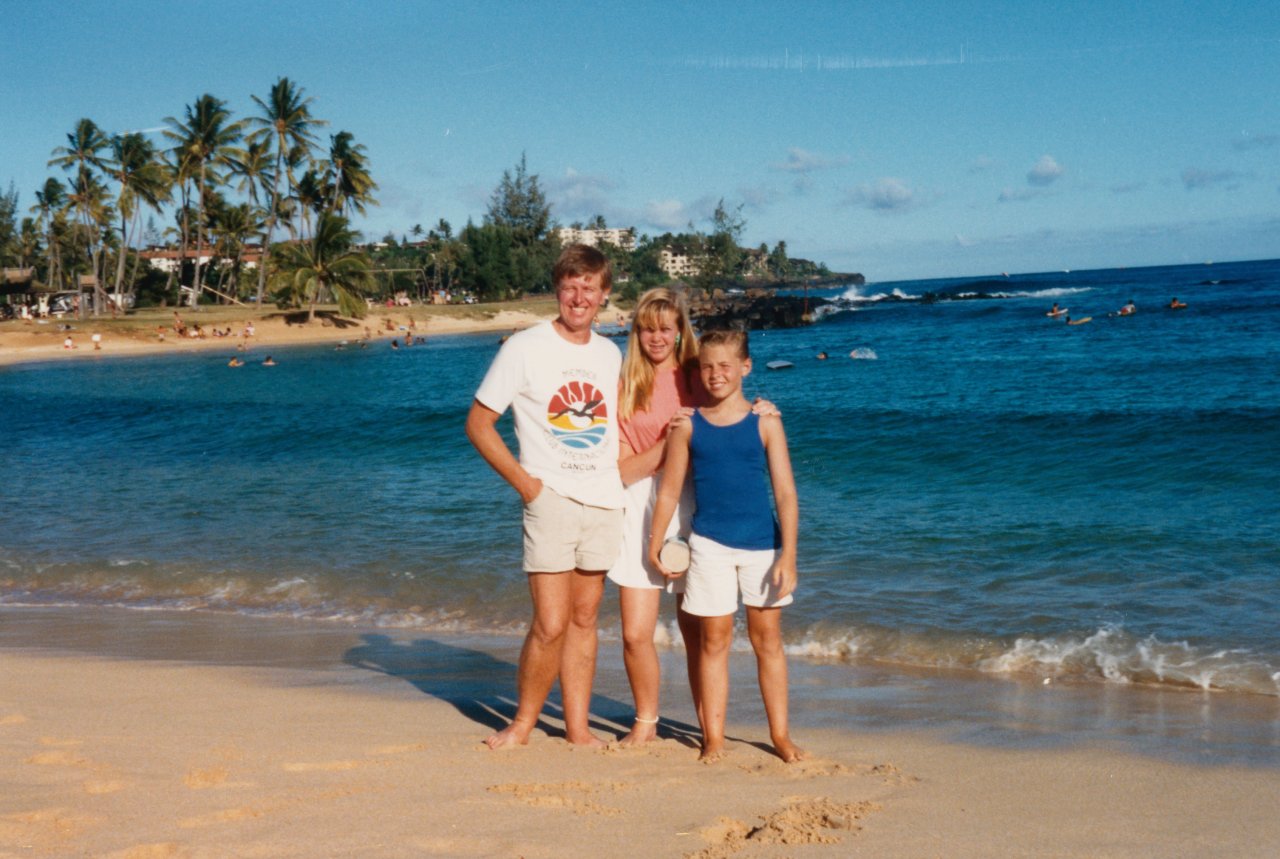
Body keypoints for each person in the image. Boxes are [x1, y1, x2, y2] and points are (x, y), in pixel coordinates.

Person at [466, 244, 624, 750]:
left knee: (584, 619)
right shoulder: (524, 347)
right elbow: (479, 424)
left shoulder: (609, 353)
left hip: (603, 499)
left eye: (589, 288)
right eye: (570, 285)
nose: (579, 297)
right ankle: (524, 724)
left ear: (604, 296)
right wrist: (529, 486)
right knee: (551, 622)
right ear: (558, 289)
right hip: (550, 499)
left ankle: (577, 728)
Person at [649, 330, 803, 763]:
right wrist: (655, 544)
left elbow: (786, 494)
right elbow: (669, 491)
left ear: (745, 368)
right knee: (713, 641)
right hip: (708, 546)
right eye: (707, 366)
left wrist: (788, 555)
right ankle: (712, 737)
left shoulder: (766, 421)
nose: (716, 374)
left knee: (767, 640)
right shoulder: (687, 425)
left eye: (725, 366)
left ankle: (781, 737)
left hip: (762, 546)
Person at [606, 288, 702, 746]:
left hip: (694, 505)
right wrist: (669, 444)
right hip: (639, 505)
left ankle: (710, 724)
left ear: (681, 329)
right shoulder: (626, 383)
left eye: (666, 327)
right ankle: (646, 721)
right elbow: (623, 470)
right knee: (634, 633)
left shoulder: (699, 378)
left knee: (698, 629)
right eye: (647, 328)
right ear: (636, 332)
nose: (657, 337)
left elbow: (733, 424)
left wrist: (764, 413)